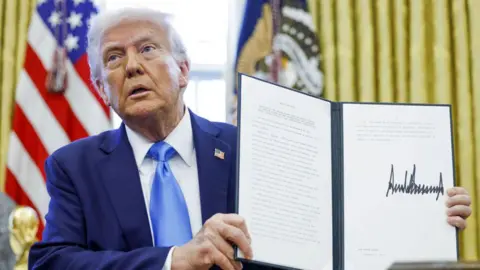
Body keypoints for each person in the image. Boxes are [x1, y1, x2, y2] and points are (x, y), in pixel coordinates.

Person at [28, 7, 473, 270]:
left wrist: (420, 214)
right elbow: (50, 263)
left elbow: (334, 226)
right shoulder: (75, 165)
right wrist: (171, 261)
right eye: (113, 58)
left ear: (183, 70)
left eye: (147, 49)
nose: (131, 66)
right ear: (101, 86)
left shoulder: (253, 147)